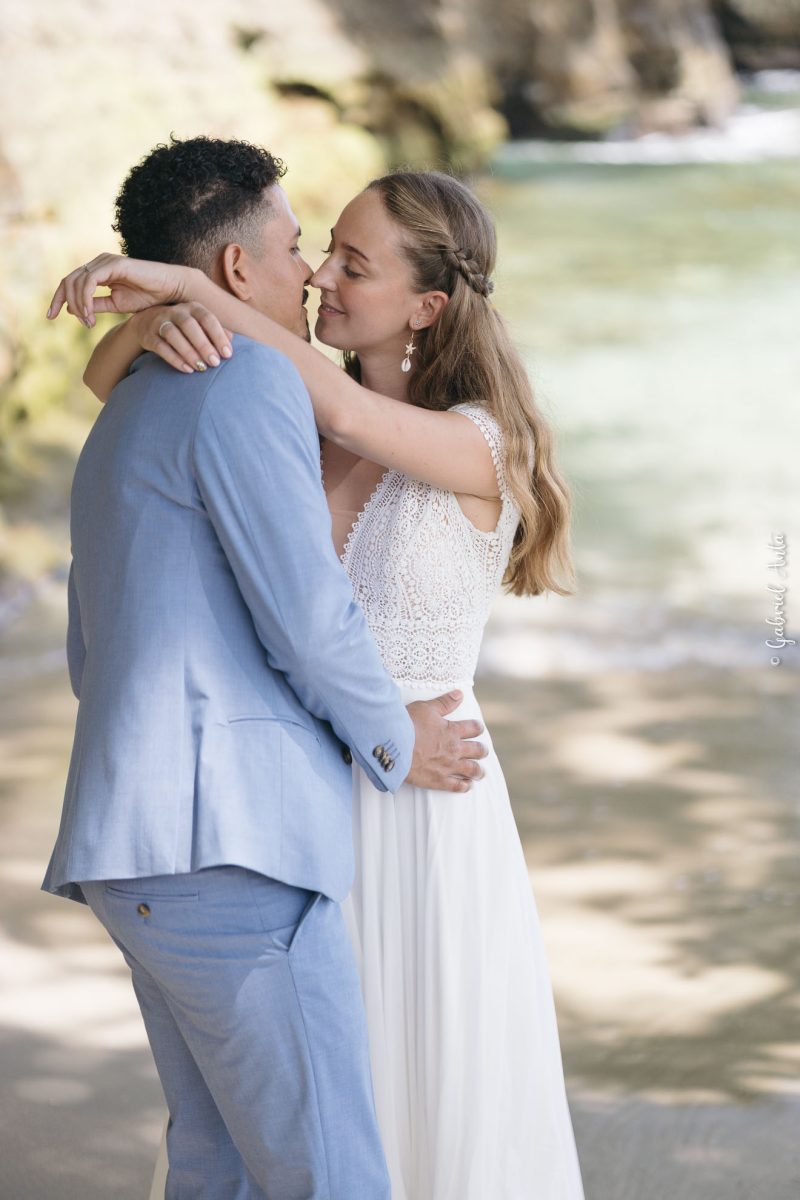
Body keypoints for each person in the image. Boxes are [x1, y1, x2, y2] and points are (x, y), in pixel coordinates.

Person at [51, 159, 586, 1198]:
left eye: (354, 263)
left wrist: (192, 288)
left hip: (423, 791)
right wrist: (153, 321)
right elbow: (122, 389)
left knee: (408, 1093)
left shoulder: (479, 439)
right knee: (301, 1125)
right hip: (295, 786)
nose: (321, 279)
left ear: (427, 307)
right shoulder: (286, 405)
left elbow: (342, 412)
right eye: (319, 251)